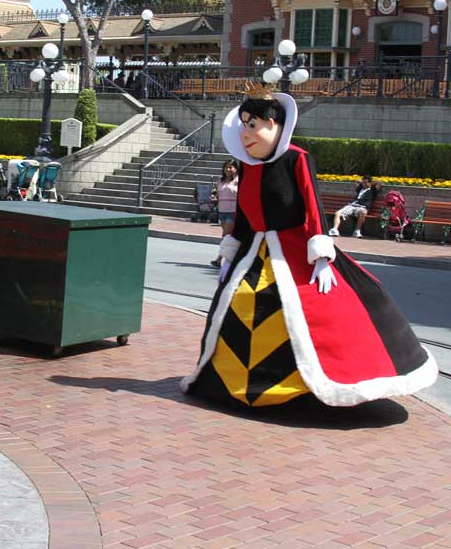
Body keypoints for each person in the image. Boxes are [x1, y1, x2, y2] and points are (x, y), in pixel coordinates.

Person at [180, 84, 437, 408]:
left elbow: (313, 206)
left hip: (294, 248)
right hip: (252, 253)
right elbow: (245, 215)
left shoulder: (297, 159)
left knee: (319, 309)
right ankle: (236, 381)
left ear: (273, 125)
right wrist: (229, 253)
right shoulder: (246, 166)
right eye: (244, 124)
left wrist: (320, 258)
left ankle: (307, 389)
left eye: (253, 124)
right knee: (237, 304)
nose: (246, 132)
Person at [210, 159, 240, 267]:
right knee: (229, 236)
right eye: (226, 167)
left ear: (236, 169)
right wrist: (214, 197)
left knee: (225, 235)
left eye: (231, 167)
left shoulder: (239, 181)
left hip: (233, 210)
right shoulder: (220, 181)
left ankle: (219, 258)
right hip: (222, 209)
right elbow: (216, 192)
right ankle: (233, 256)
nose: (228, 169)